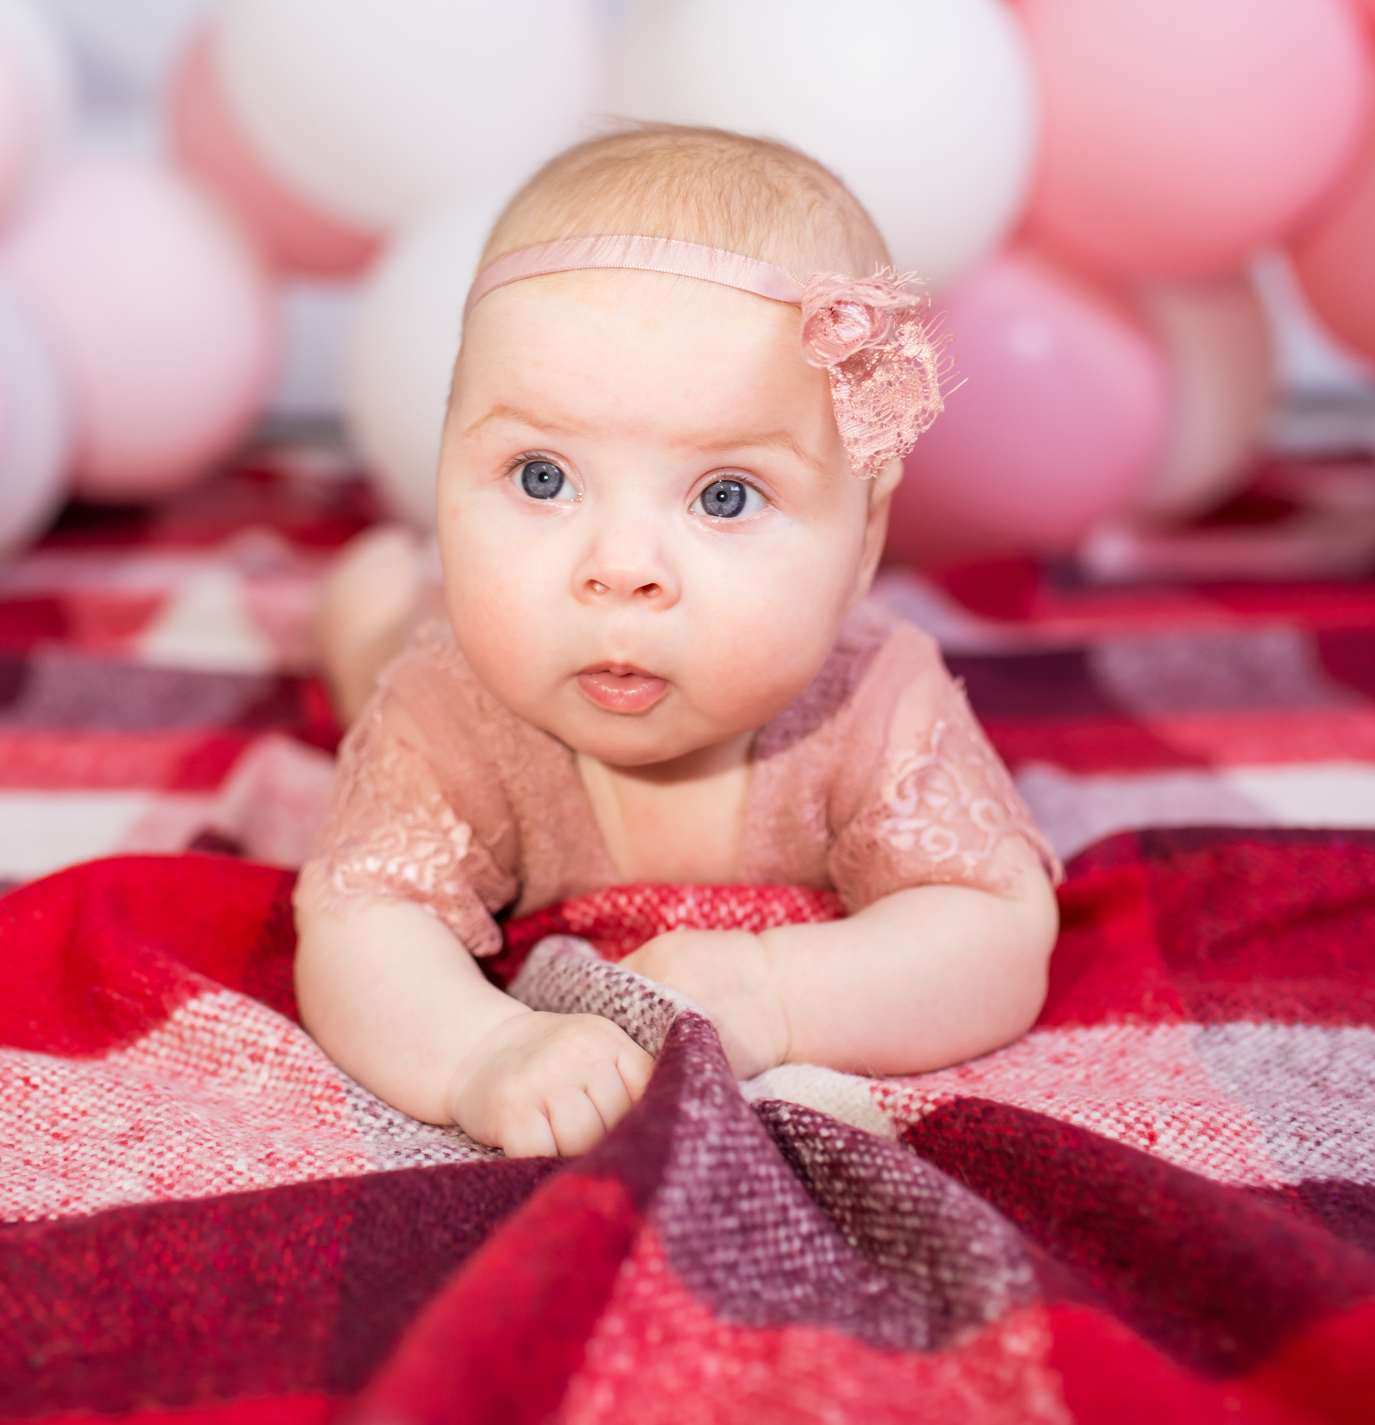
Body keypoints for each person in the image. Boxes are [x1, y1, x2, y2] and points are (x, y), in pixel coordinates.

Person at [296, 124, 1059, 1159]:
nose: (619, 568)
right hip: (427, 651)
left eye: (725, 495)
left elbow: (994, 932)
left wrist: (777, 992)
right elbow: (362, 927)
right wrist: (481, 1053)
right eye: (540, 478)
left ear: (863, 538)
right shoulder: (453, 707)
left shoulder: (874, 700)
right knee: (385, 646)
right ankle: (369, 605)